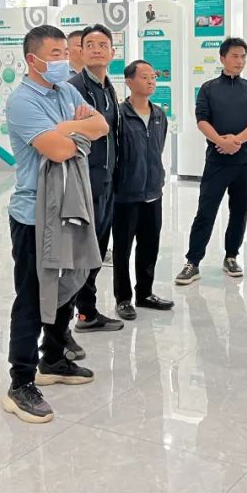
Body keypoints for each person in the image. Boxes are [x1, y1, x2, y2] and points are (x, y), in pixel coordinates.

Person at [4, 25, 109, 423]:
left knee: (72, 280)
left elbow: (102, 127)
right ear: (32, 60)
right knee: (33, 296)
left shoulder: (66, 91)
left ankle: (53, 359)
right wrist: (75, 131)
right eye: (55, 53)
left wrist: (67, 129)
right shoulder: (22, 102)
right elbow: (61, 150)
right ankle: (21, 381)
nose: (64, 58)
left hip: (71, 203)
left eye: (66, 51)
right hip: (35, 214)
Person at [176, 37, 247, 284]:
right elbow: (202, 119)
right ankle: (192, 262)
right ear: (222, 58)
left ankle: (231, 256)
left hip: (245, 161)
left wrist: (236, 140)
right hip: (217, 160)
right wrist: (220, 141)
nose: (240, 61)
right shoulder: (208, 88)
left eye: (243, 56)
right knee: (205, 212)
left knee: (239, 211)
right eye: (235, 56)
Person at [67, 25, 125, 333]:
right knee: (83, 250)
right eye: (90, 44)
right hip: (84, 180)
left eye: (103, 45)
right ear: (80, 51)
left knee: (98, 249)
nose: (97, 49)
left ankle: (87, 310)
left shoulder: (107, 87)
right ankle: (82, 314)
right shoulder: (73, 87)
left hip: (107, 181)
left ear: (112, 52)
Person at [112, 60, 173, 319]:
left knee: (150, 245)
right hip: (126, 194)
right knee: (123, 249)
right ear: (129, 82)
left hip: (153, 192)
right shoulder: (118, 115)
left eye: (153, 77)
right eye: (145, 77)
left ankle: (145, 293)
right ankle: (123, 298)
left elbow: (157, 149)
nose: (151, 81)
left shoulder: (159, 115)